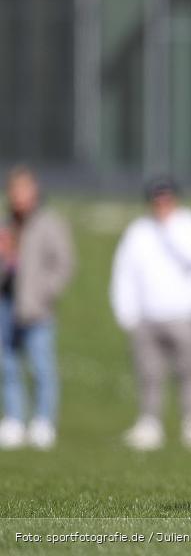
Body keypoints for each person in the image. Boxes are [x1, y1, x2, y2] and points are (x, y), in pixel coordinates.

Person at [110, 177, 191, 451]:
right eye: (157, 199)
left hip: (184, 314)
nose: (162, 204)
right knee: (149, 373)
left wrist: (169, 234)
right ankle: (149, 423)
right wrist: (126, 312)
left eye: (166, 198)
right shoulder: (138, 231)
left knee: (189, 372)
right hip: (147, 315)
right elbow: (125, 273)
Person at [0, 166, 74, 450]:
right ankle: (15, 420)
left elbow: (64, 264)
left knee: (41, 365)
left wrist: (46, 292)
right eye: (14, 191)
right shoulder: (7, 223)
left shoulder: (49, 223)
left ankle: (43, 422)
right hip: (7, 301)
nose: (18, 197)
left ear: (34, 193)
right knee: (7, 364)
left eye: (23, 191)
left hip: (37, 305)